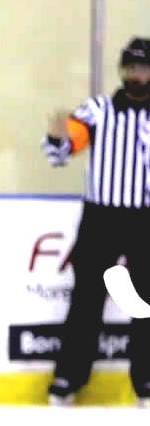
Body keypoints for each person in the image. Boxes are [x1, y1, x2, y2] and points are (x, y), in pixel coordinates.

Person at [41, 37, 150, 405]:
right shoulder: (98, 110)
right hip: (101, 217)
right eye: (130, 68)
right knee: (87, 297)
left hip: (145, 219)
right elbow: (67, 145)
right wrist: (58, 137)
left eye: (143, 68)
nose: (136, 75)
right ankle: (69, 376)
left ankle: (146, 379)